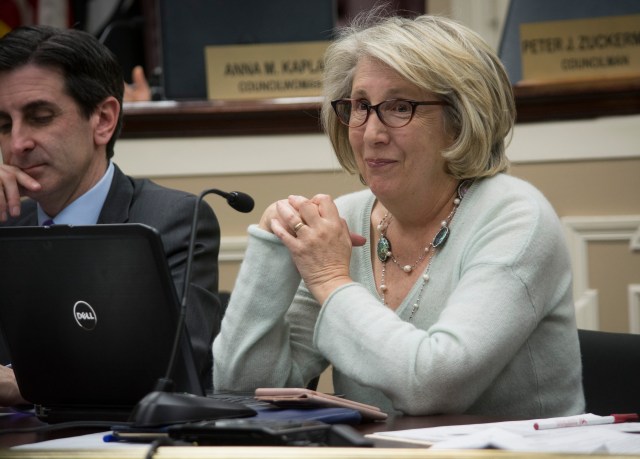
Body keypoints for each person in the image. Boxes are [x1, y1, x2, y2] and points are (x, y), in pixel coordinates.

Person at [213, 12, 585, 418]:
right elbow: (242, 391)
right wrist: (271, 248)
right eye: (359, 106)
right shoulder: (347, 221)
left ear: (461, 120)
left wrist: (330, 280)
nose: (371, 132)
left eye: (400, 107)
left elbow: (434, 388)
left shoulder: (516, 218)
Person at [0, 25, 221, 405]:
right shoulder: (4, 222)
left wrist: (27, 385)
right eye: (3, 125)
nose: (17, 143)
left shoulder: (171, 219)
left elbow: (171, 378)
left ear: (102, 120)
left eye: (40, 117)